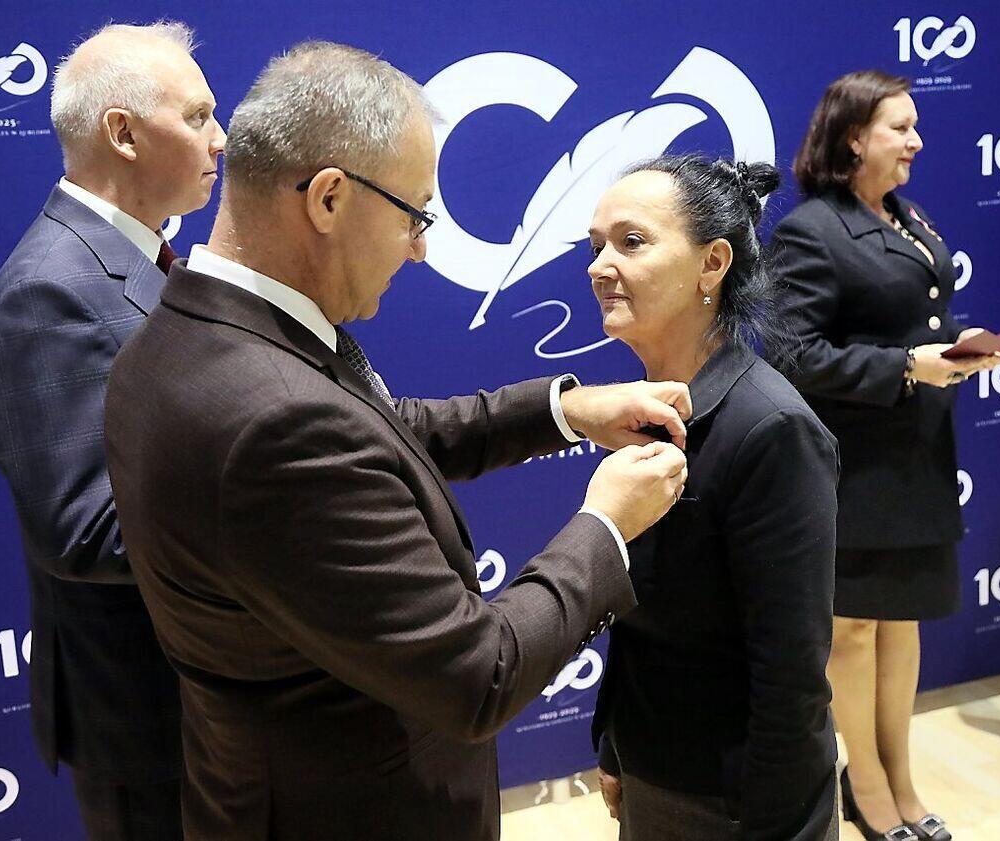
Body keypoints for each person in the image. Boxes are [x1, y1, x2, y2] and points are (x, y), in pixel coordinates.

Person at [102, 41, 690, 841]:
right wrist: (606, 524)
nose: (420, 247)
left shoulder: (182, 336)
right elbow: (480, 674)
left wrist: (566, 408)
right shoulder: (275, 420)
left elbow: (379, 432)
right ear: (330, 198)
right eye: (415, 213)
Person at [0, 21, 223, 841]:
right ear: (123, 133)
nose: (220, 139)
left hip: (200, 709)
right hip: (149, 726)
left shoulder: (142, 257)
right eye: (197, 117)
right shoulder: (46, 290)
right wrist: (278, 507)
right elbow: (82, 529)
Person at [768, 70, 1000, 841]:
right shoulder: (811, 230)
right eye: (900, 128)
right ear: (853, 137)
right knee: (855, 631)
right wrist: (907, 366)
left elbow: (916, 318)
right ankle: (864, 785)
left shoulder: (908, 216)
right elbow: (792, 354)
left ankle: (901, 778)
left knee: (901, 623)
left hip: (916, 456)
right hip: (852, 464)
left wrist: (959, 350)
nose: (916, 142)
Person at [587, 154, 840, 841]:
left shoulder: (773, 429)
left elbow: (791, 672)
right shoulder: (643, 412)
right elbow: (637, 614)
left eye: (630, 242)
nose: (601, 266)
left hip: (734, 802)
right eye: (596, 245)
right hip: (652, 772)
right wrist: (616, 743)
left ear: (712, 263)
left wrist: (776, 823)